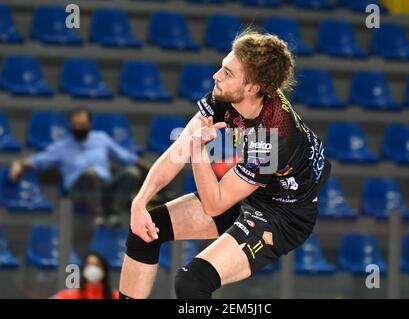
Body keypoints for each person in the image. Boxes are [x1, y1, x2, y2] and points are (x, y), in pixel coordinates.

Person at [119, 31, 331, 299]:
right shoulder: (229, 96)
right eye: (222, 67)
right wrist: (140, 203)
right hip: (255, 192)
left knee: (192, 282)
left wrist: (199, 154)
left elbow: (214, 204)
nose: (216, 76)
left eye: (227, 73)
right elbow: (177, 150)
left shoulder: (273, 137)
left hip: (283, 216)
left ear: (253, 87)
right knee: (145, 229)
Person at [8, 107, 152, 226]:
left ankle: (114, 212)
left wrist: (151, 168)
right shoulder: (62, 146)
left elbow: (127, 157)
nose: (79, 128)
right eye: (76, 125)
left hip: (106, 187)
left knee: (131, 173)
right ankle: (98, 215)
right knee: (91, 173)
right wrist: (18, 163)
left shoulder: (101, 138)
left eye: (82, 125)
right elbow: (38, 160)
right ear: (70, 125)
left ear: (89, 124)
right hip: (78, 190)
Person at [51, 252, 118, 299]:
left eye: (97, 265)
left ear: (104, 270)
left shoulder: (116, 296)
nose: (92, 268)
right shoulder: (68, 296)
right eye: (89, 265)